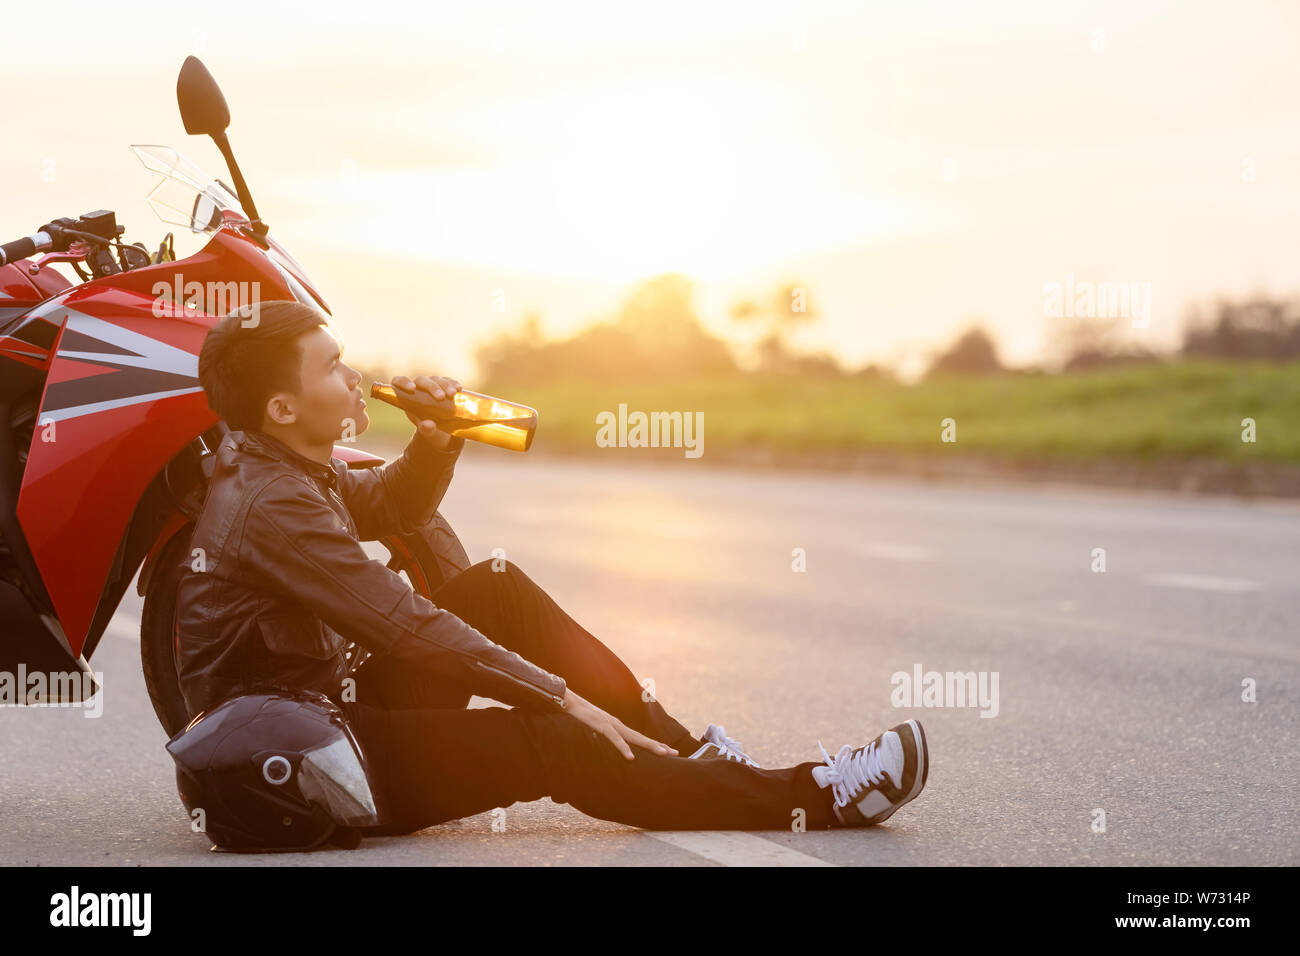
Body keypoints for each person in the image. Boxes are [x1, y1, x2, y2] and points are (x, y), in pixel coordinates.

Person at [177, 298, 930, 840]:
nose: (356, 376)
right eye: (334, 367)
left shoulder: (288, 464)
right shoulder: (271, 502)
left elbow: (389, 506)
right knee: (560, 743)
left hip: (325, 703)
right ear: (281, 408)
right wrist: (560, 698)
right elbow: (402, 623)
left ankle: (689, 754)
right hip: (304, 761)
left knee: (495, 585)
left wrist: (436, 438)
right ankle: (820, 796)